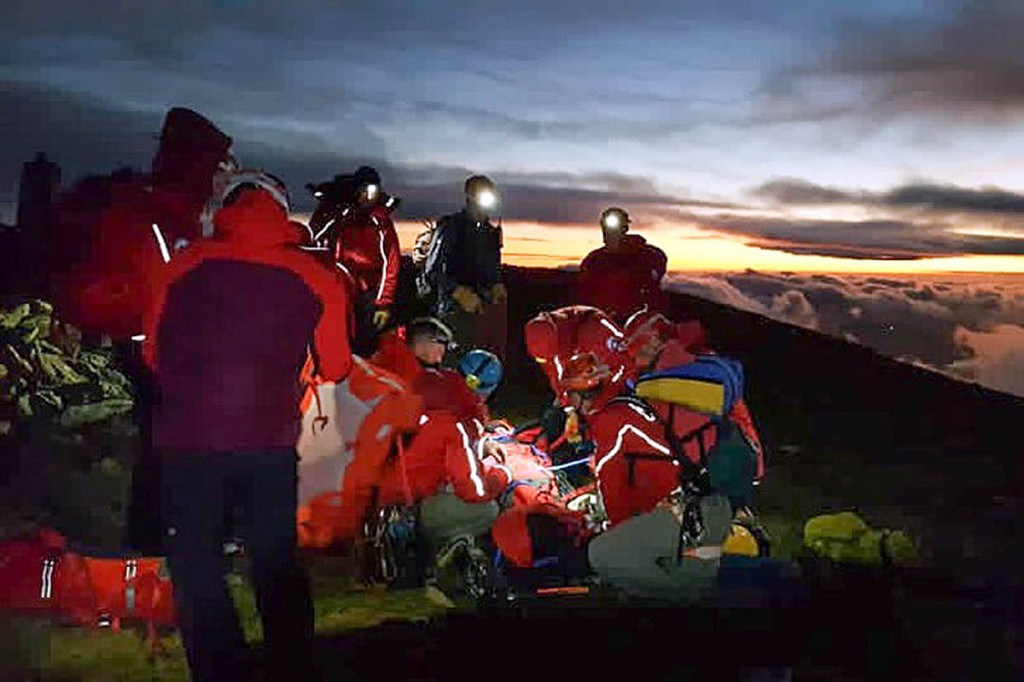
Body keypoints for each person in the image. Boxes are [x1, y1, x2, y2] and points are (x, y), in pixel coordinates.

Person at [141, 171, 352, 682]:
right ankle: (291, 665)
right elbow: (338, 366)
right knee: (274, 558)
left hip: (188, 440)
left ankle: (220, 669)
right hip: (268, 440)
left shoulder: (184, 264)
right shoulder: (315, 274)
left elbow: (152, 353)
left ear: (226, 208)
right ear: (281, 210)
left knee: (197, 563)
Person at [556, 350, 733, 605]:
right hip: (712, 511)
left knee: (603, 554)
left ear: (583, 395)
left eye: (570, 395)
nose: (569, 403)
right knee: (683, 580)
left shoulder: (610, 422)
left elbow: (613, 491)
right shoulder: (631, 402)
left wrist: (610, 529)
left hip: (686, 519)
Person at [421, 174, 508, 362]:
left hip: (482, 312)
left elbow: (492, 267)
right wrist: (458, 292)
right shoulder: (452, 227)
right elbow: (432, 271)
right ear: (470, 196)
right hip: (452, 313)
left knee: (481, 364)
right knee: (452, 363)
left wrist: (496, 284)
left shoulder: (490, 233)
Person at [329, 166, 401, 356]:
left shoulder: (380, 222)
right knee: (340, 340)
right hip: (341, 289)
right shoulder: (344, 217)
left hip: (369, 293)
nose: (368, 196)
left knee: (365, 345)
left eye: (373, 191)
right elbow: (329, 246)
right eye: (364, 191)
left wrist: (383, 302)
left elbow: (391, 263)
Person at [577, 207, 668, 324]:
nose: (607, 232)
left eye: (613, 228)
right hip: (602, 322)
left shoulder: (646, 254)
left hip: (636, 322)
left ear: (624, 228)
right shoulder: (594, 260)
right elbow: (583, 291)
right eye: (605, 227)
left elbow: (655, 277)